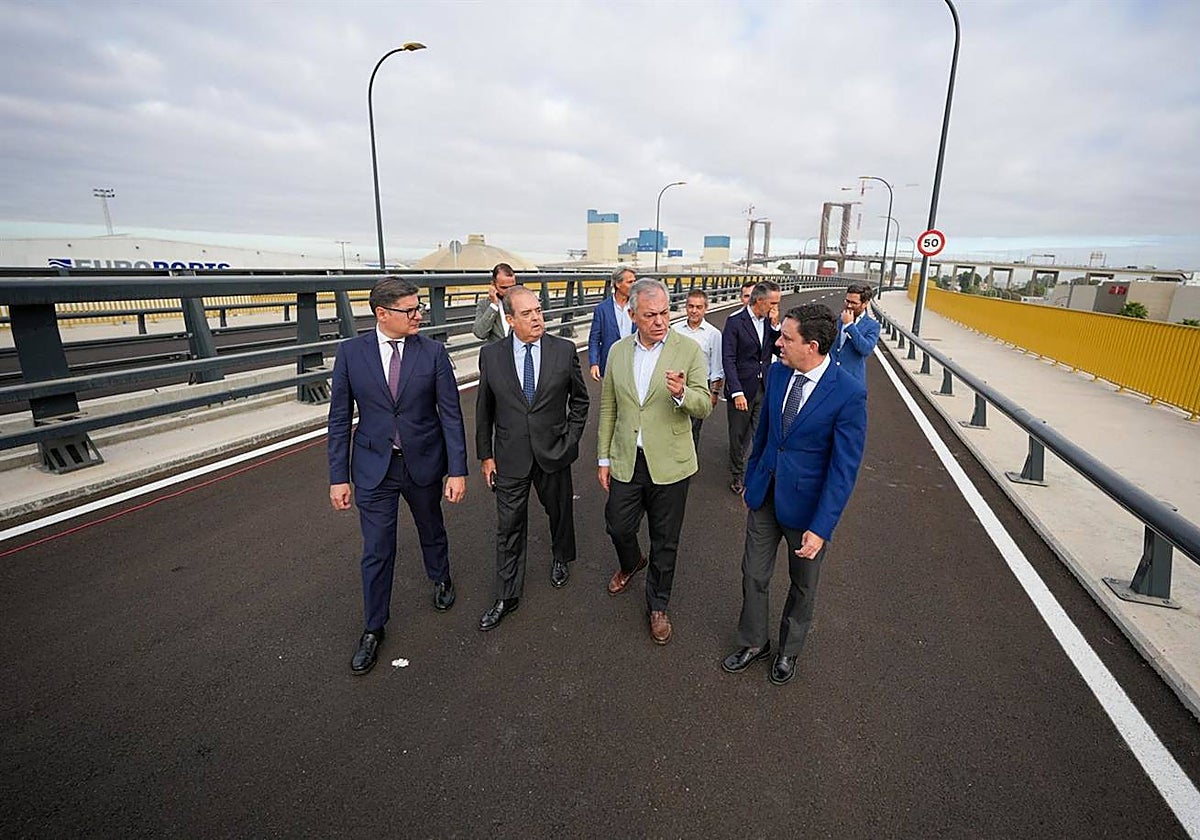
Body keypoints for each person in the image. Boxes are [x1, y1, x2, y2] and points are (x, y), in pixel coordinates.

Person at [328, 276, 468, 676]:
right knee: (377, 548)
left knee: (431, 527)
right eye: (410, 310)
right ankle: (374, 628)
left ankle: (440, 577)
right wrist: (338, 477)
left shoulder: (433, 352)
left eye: (418, 307)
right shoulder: (350, 354)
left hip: (423, 461)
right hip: (374, 468)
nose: (418, 315)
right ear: (382, 313)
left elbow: (451, 415)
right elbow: (339, 419)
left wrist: (457, 470)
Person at [721, 303, 867, 686]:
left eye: (786, 338)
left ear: (812, 346)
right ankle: (754, 642)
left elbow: (843, 470)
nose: (778, 343)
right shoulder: (778, 373)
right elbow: (765, 434)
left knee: (803, 585)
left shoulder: (849, 394)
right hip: (765, 496)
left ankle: (788, 650)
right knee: (753, 574)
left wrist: (821, 528)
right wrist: (751, 478)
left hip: (807, 511)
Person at [597, 279, 712, 645]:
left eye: (664, 312)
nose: (660, 321)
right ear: (633, 315)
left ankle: (658, 605)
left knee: (665, 540)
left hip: (671, 463)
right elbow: (609, 407)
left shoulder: (688, 350)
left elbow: (705, 404)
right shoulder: (617, 351)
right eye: (650, 315)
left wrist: (682, 394)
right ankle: (631, 562)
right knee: (618, 525)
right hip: (628, 457)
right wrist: (603, 458)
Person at [474, 286, 590, 631]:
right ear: (510, 320)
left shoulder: (563, 350)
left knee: (559, 512)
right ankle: (506, 595)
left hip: (554, 451)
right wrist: (486, 456)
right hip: (510, 456)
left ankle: (561, 556)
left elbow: (580, 401)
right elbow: (484, 409)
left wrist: (570, 441)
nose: (537, 318)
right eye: (527, 314)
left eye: (538, 310)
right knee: (508, 526)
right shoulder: (491, 355)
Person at [721, 280, 781, 494]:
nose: (776, 308)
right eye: (773, 303)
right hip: (742, 389)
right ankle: (737, 474)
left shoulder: (768, 322)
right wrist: (736, 392)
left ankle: (758, 474)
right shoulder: (735, 322)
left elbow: (777, 350)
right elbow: (728, 359)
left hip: (763, 387)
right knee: (738, 435)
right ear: (760, 300)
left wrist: (775, 326)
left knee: (761, 433)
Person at [671, 289, 724, 450]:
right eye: (691, 306)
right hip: (676, 384)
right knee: (672, 426)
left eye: (699, 307)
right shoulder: (674, 329)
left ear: (705, 308)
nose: (694, 311)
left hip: (699, 386)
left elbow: (717, 366)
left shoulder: (713, 334)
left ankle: (689, 460)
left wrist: (714, 393)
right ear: (686, 307)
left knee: (693, 429)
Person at [587, 265, 636, 381]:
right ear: (618, 284)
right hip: (610, 364)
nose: (634, 285)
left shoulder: (639, 306)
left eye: (635, 281)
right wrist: (594, 363)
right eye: (630, 282)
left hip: (635, 363)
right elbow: (594, 339)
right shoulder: (602, 309)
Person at [829, 282, 880, 384]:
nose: (849, 305)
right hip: (829, 377)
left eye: (854, 303)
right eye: (847, 301)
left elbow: (866, 349)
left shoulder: (872, 326)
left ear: (865, 303)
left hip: (852, 380)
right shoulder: (835, 320)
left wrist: (849, 326)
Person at [473, 262, 520, 343]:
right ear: (493, 285)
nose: (509, 291)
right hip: (496, 349)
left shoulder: (522, 302)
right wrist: (494, 305)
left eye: (512, 287)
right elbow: (480, 333)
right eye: (504, 288)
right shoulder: (484, 304)